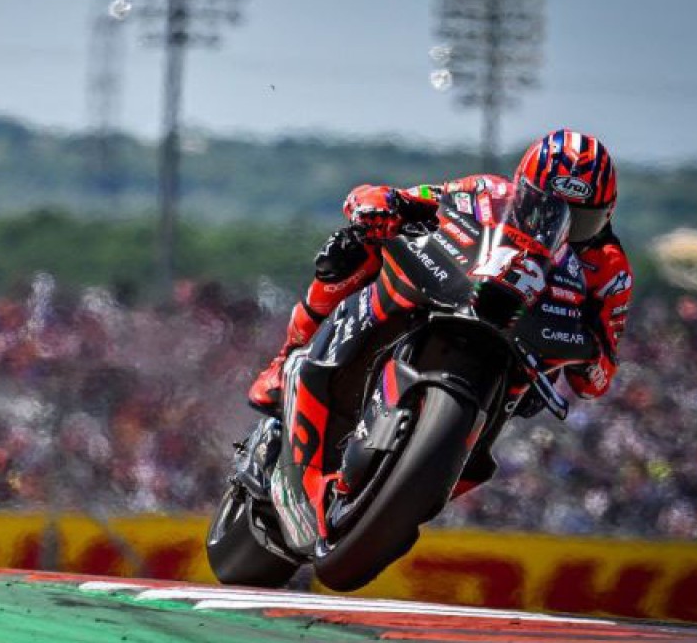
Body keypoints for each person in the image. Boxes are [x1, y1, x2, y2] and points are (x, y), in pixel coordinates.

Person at [248, 129, 632, 468]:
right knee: (348, 251)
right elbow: (407, 198)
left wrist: (586, 358)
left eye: (581, 221)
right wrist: (379, 206)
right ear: (523, 188)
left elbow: (598, 380)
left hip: (522, 350)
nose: (563, 228)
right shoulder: (488, 191)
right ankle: (286, 360)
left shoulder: (612, 271)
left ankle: (441, 457)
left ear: (606, 216)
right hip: (460, 290)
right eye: (549, 211)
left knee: (534, 402)